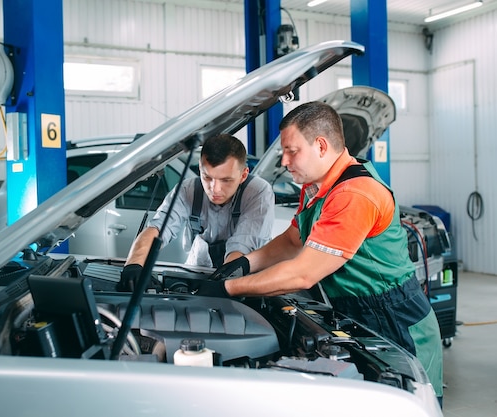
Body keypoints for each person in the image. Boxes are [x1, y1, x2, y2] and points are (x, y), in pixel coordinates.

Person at [192, 101, 444, 402]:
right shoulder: (316, 187)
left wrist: (228, 288)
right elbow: (292, 241)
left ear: (321, 146)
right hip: (357, 312)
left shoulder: (353, 194)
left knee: (405, 404)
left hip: (394, 321)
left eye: (291, 150)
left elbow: (303, 273)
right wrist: (244, 264)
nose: (284, 161)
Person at [117, 133, 275, 291]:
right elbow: (157, 228)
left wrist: (223, 284)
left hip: (242, 280)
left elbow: (241, 247)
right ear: (200, 169)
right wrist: (134, 264)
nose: (215, 189)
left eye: (226, 180)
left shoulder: (257, 192)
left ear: (243, 175)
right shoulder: (188, 190)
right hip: (198, 272)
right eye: (207, 177)